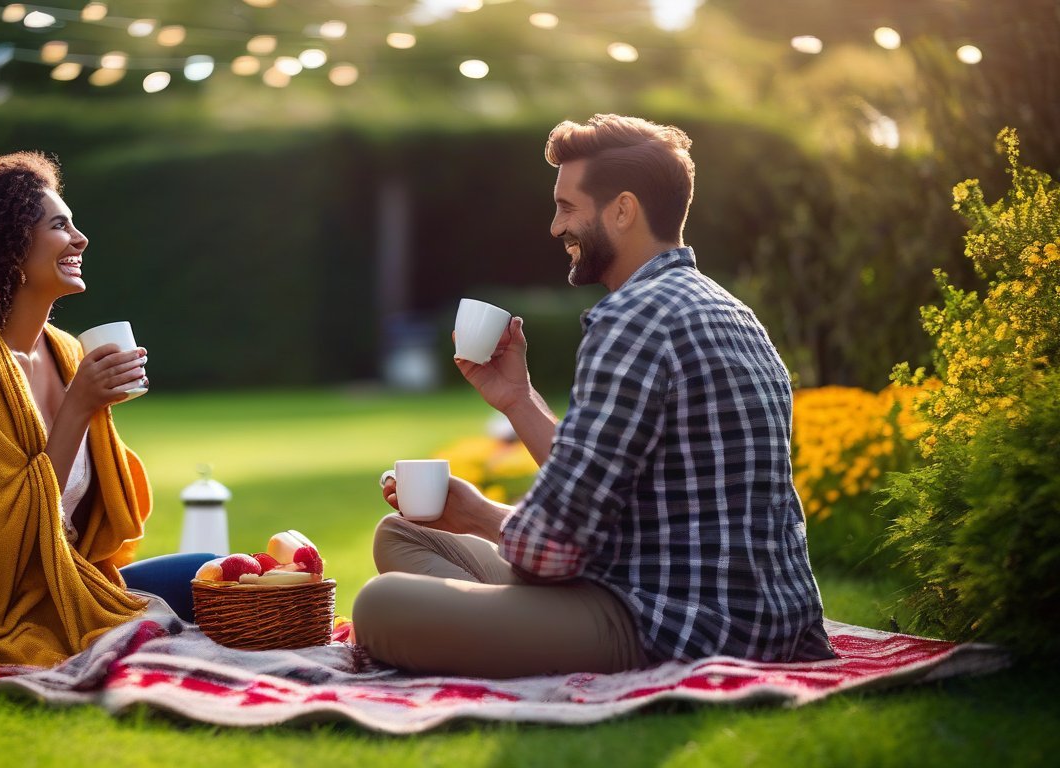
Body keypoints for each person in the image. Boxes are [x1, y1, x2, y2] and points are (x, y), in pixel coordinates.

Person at [353, 114, 834, 678]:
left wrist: (477, 515)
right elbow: (599, 488)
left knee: (379, 605)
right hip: (754, 613)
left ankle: (506, 635)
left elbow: (553, 551)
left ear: (622, 210)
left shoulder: (631, 318)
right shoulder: (729, 310)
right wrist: (518, 397)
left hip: (669, 624)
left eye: (567, 207)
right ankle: (507, 630)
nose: (556, 227)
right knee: (403, 534)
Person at [0, 152, 212, 667]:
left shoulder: (66, 350)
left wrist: (100, 414)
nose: (80, 239)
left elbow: (105, 523)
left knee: (219, 572)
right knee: (179, 623)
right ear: (9, 245)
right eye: (60, 226)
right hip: (10, 610)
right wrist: (78, 406)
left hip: (78, 581)